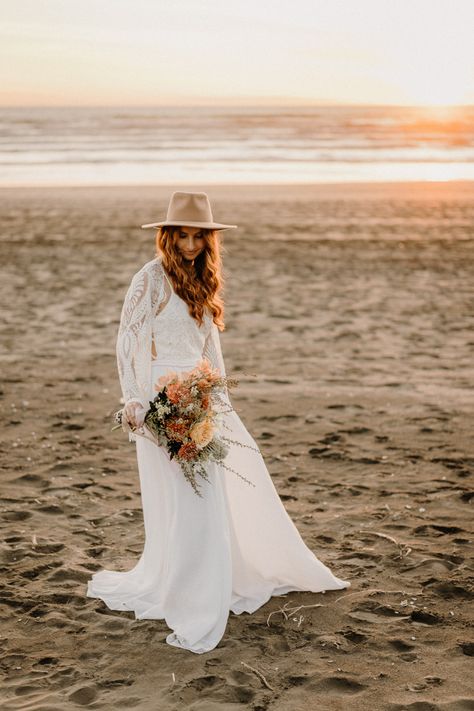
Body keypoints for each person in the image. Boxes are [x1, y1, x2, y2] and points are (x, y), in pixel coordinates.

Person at [86, 191, 351, 654]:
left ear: (209, 239)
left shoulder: (203, 277)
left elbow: (209, 344)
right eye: (182, 235)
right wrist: (132, 398)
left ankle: (215, 579)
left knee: (221, 487)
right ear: (168, 235)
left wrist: (219, 394)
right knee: (186, 495)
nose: (190, 245)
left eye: (198, 236)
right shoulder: (148, 279)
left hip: (199, 392)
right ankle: (190, 593)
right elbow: (126, 341)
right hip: (158, 397)